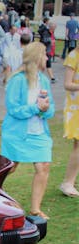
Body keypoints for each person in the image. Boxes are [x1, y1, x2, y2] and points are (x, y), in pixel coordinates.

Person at [1, 42, 55, 219]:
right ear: (37, 57)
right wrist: (35, 108)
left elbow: (51, 107)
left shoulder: (44, 79)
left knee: (44, 166)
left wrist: (45, 109)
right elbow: (13, 109)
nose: (47, 58)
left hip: (39, 132)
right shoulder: (18, 80)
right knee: (10, 167)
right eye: (45, 55)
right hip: (16, 133)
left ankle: (35, 208)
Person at [59, 48, 79, 197]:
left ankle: (70, 181)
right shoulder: (74, 55)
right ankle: (68, 183)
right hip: (75, 106)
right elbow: (67, 84)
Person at [38, 17, 55, 83]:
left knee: (46, 64)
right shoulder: (44, 28)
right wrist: (50, 41)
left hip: (47, 49)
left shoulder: (48, 30)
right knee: (44, 64)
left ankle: (52, 77)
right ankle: (39, 76)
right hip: (45, 49)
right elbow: (42, 36)